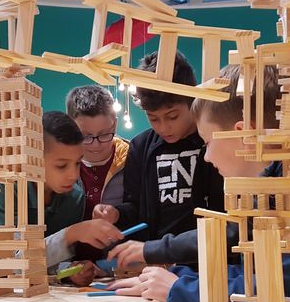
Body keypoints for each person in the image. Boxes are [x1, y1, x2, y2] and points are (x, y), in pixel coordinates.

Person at [111, 64, 290, 302]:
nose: (207, 157)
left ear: (243, 134)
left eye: (207, 143)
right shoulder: (286, 175)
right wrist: (180, 276)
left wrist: (182, 288)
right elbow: (270, 270)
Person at [93, 51, 225, 269]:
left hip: (209, 262)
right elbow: (136, 208)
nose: (163, 127)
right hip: (155, 263)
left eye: (172, 116)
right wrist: (116, 213)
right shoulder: (140, 146)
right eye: (153, 118)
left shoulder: (213, 142)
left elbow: (224, 217)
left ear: (191, 100)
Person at [0, 111, 123, 285]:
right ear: (34, 161)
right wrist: (71, 234)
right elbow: (12, 260)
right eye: (61, 166)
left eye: (78, 163)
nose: (73, 174)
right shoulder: (7, 187)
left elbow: (49, 262)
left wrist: (69, 271)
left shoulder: (75, 198)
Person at [65, 85, 129, 263]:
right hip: (66, 272)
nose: (95, 145)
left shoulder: (133, 159)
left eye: (104, 134)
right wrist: (65, 269)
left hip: (117, 270)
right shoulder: (57, 164)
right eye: (85, 136)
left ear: (114, 123)